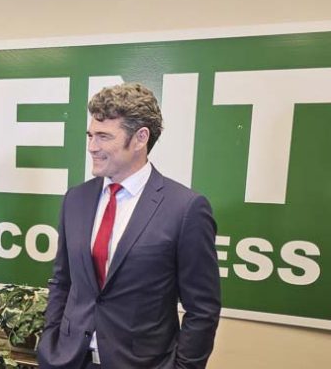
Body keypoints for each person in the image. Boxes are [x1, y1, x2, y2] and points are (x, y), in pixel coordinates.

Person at [37, 83, 221, 369]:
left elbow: (203, 310)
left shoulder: (186, 209)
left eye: (103, 137)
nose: (91, 147)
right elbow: (63, 280)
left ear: (140, 138)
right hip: (69, 360)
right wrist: (50, 342)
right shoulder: (76, 198)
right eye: (90, 135)